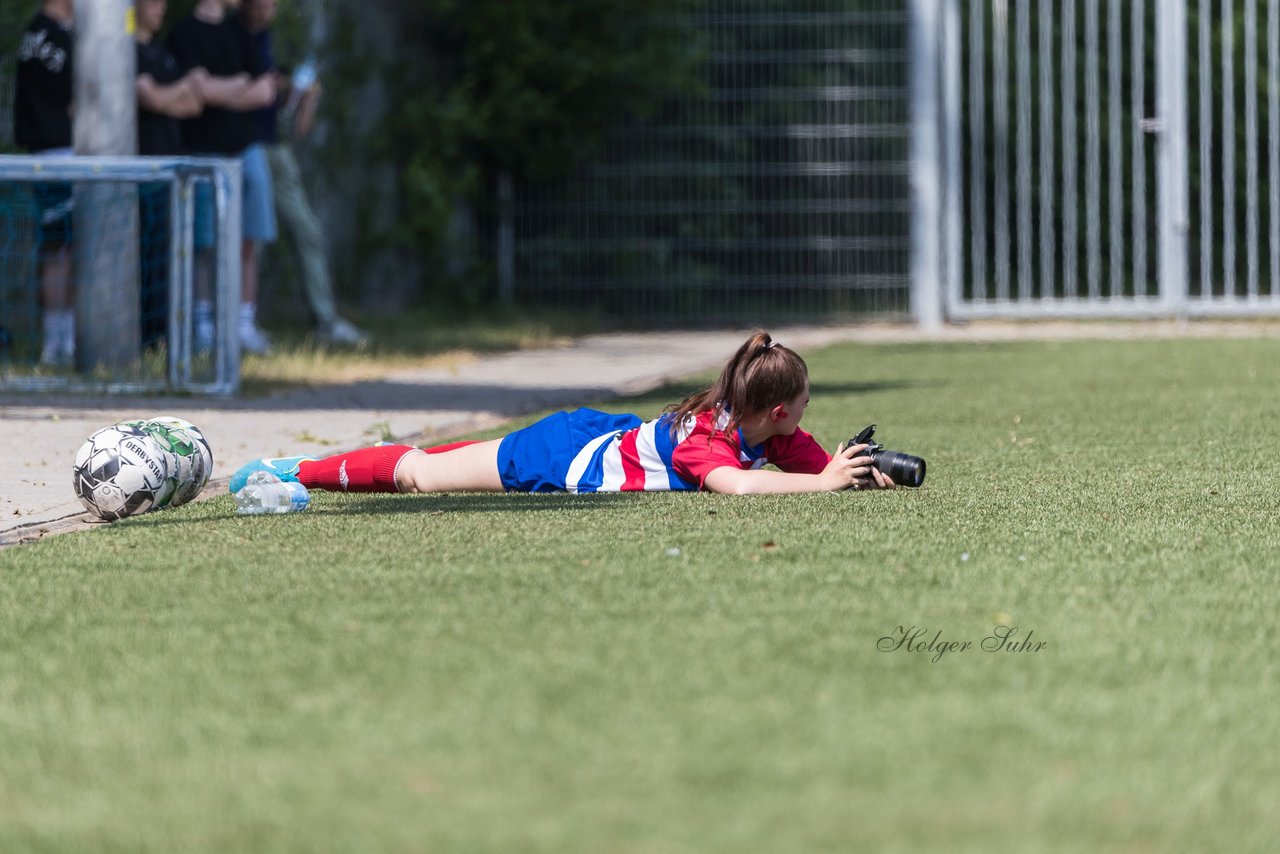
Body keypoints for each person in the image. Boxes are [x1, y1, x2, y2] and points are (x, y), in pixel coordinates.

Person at [229, 331, 898, 496]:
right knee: (422, 475)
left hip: (601, 430)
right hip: (562, 455)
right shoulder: (707, 439)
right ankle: (297, 470)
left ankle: (302, 469)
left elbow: (815, 466)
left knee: (428, 470)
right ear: (779, 408)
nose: (808, 414)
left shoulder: (774, 431)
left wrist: (860, 473)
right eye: (805, 402)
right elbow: (739, 485)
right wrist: (820, 483)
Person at [238, 0, 368, 346]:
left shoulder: (272, 43)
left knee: (306, 230)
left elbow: (300, 129)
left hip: (276, 151)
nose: (267, 7)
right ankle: (239, 323)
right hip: (244, 151)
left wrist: (302, 99)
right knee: (252, 241)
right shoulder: (232, 38)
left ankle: (324, 320)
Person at [167, 0, 277, 355]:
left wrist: (220, 89)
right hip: (202, 153)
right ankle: (201, 323)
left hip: (244, 150)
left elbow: (265, 91)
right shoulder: (183, 33)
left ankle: (243, 323)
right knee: (203, 243)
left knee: (249, 238)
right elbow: (197, 93)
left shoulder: (238, 30)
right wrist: (237, 85)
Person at [134, 0, 206, 349]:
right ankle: (148, 335)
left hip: (173, 171)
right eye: (154, 2)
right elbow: (154, 101)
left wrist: (169, 93)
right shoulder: (126, 51)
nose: (161, 8)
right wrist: (182, 86)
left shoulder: (161, 55)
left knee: (173, 254)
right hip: (145, 171)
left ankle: (169, 334)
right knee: (147, 256)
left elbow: (193, 104)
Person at [13, 0, 75, 366]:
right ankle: (58, 343)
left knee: (59, 246)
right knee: (62, 248)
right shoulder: (58, 38)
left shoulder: (33, 33)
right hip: (62, 155)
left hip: (44, 153)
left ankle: (61, 339)